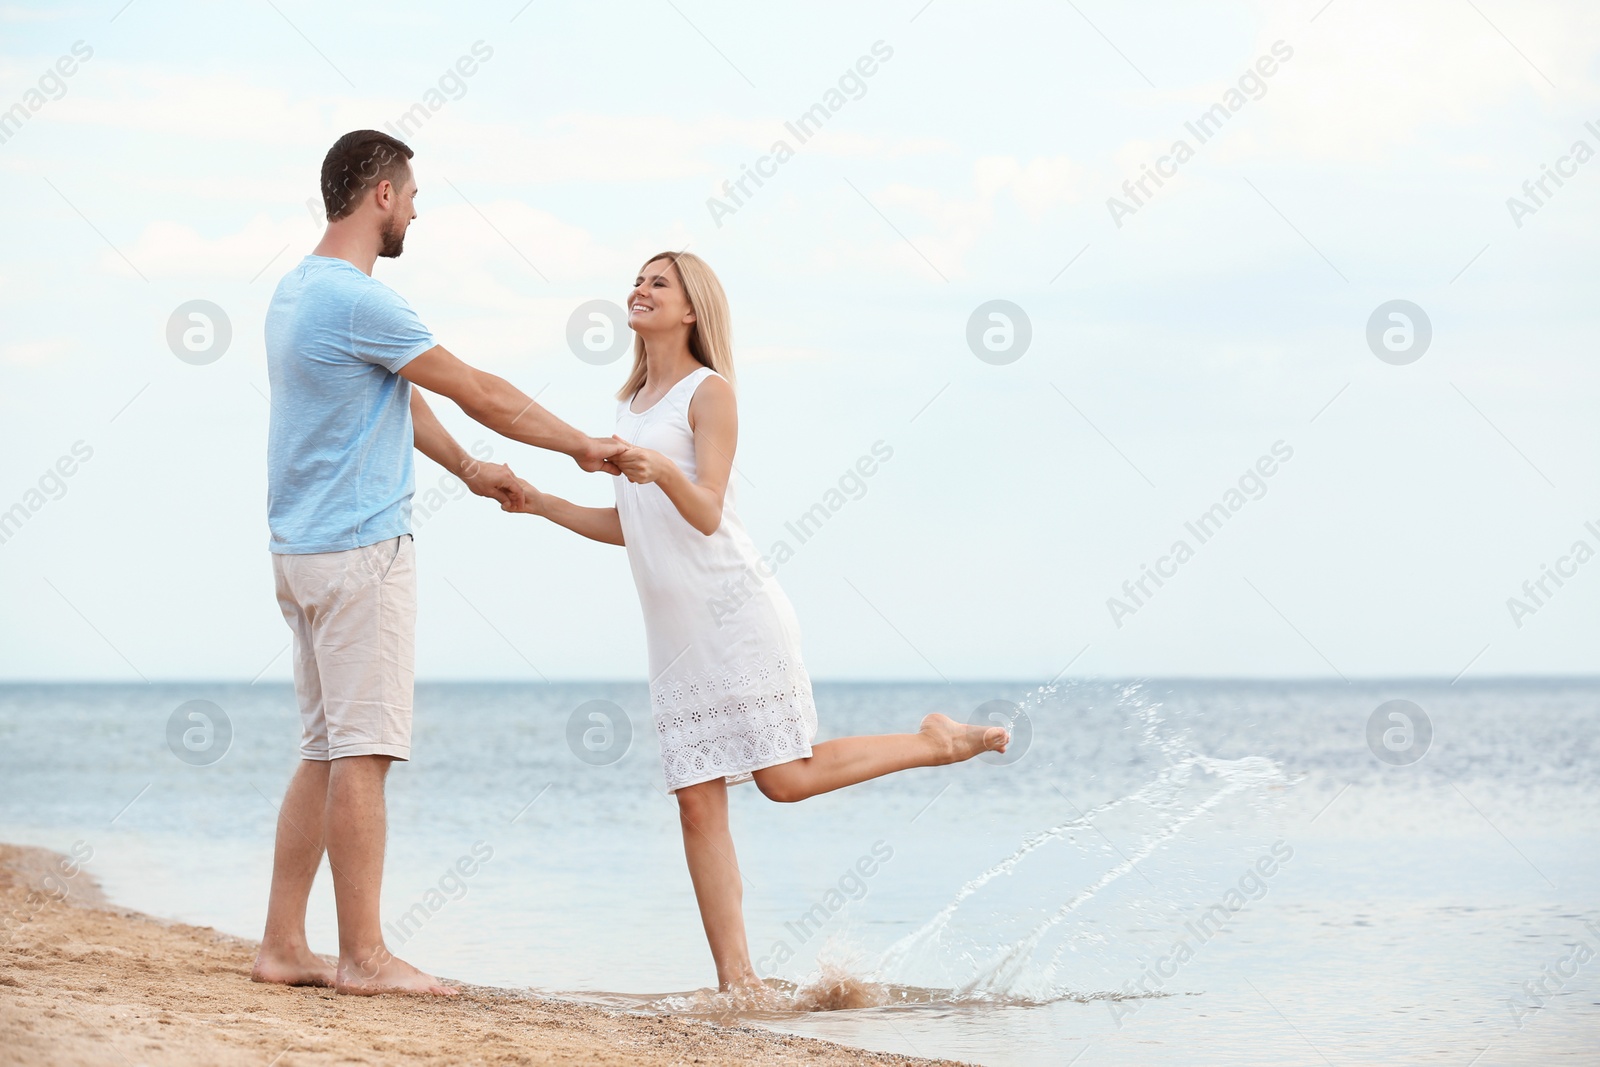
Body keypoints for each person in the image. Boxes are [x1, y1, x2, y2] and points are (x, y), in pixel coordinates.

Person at [502, 250, 1009, 993]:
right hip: (677, 643)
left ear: (690, 310)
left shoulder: (712, 394)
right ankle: (738, 982)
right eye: (637, 280)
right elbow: (635, 525)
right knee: (697, 807)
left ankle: (934, 742)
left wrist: (660, 469)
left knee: (783, 777)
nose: (639, 289)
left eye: (657, 282)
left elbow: (703, 510)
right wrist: (539, 501)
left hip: (735, 614)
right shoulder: (631, 402)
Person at [253, 130, 622, 996]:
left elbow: (392, 396)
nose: (418, 209)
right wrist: (580, 445)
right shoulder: (361, 300)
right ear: (381, 193)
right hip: (359, 553)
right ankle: (364, 956)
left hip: (300, 553)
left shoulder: (294, 291)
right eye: (412, 194)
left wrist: (469, 469)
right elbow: (476, 386)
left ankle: (281, 943)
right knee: (365, 752)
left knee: (323, 749)